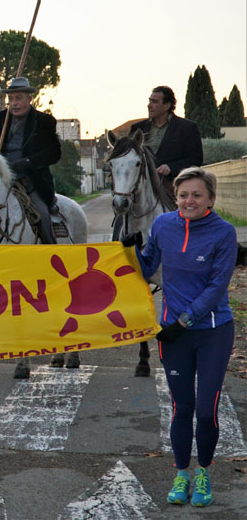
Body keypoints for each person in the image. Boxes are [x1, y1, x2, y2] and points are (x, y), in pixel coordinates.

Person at [124, 167, 237, 507]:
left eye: (197, 195)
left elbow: (217, 287)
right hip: (173, 336)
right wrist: (131, 251)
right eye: (184, 194)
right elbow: (146, 269)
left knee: (205, 410)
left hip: (212, 332)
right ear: (176, 197)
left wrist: (184, 321)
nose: (189, 200)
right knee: (180, 407)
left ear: (210, 199)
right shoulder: (162, 226)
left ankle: (203, 472)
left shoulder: (224, 233)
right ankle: (181, 473)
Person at [0, 76, 61, 244]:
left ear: (29, 98)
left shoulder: (44, 121)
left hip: (31, 182)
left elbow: (54, 153)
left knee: (42, 215)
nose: (13, 103)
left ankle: (51, 250)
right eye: (10, 99)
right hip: (2, 180)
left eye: (18, 98)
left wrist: (27, 163)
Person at [128, 86, 203, 198]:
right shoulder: (137, 129)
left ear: (167, 105)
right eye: (149, 101)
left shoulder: (188, 128)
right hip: (138, 188)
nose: (149, 105)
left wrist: (171, 167)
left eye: (154, 102)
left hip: (171, 189)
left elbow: (196, 159)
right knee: (121, 210)